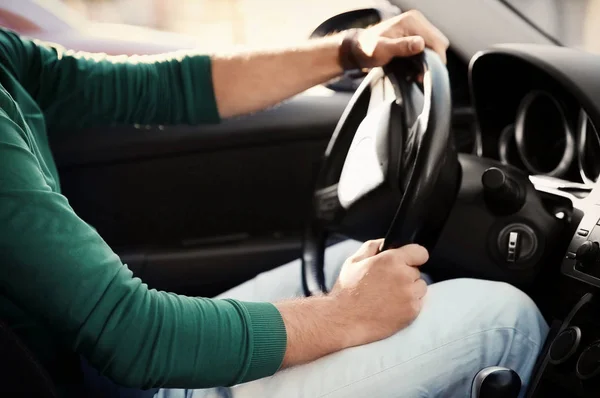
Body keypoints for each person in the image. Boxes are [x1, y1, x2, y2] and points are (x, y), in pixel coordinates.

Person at [0, 9, 548, 398]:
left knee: (373, 266)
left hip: (94, 368)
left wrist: (352, 48)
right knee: (506, 321)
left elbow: (165, 86)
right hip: (118, 380)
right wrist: (345, 315)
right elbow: (135, 336)